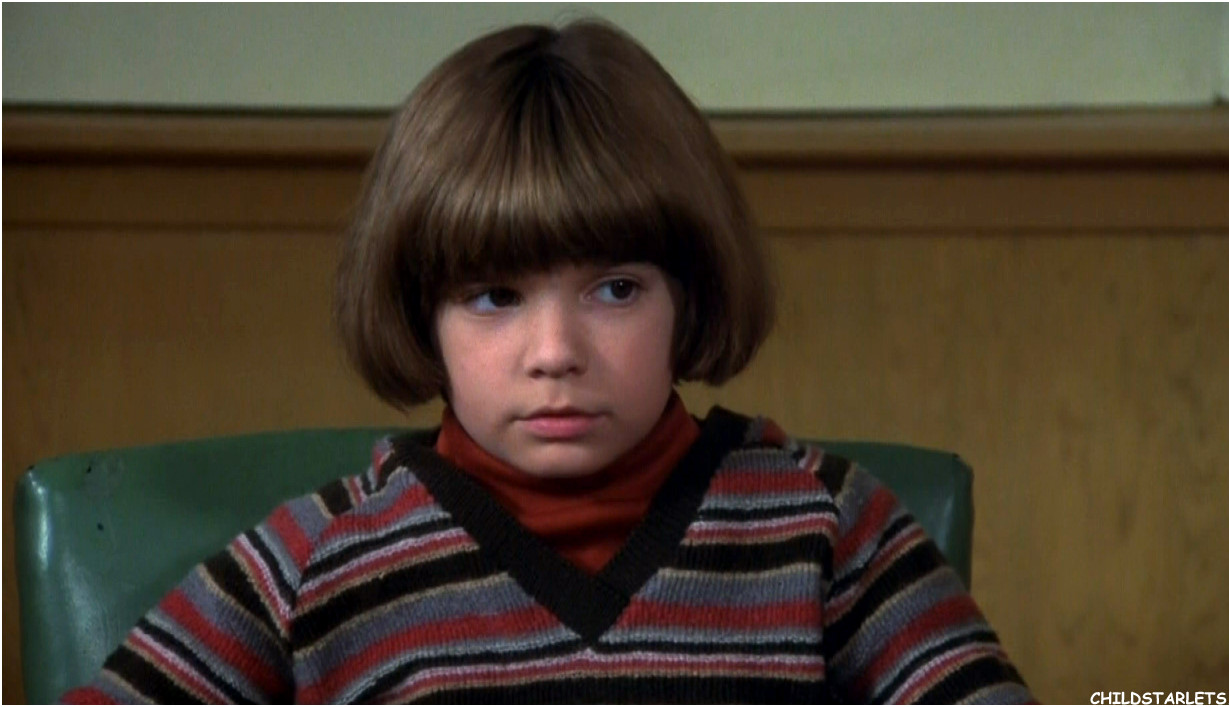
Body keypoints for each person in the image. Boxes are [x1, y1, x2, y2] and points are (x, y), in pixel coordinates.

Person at [65, 20, 1031, 704]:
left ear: (688, 291)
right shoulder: (316, 562)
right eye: (494, 297)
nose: (557, 353)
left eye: (615, 289)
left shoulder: (824, 522)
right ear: (421, 313)